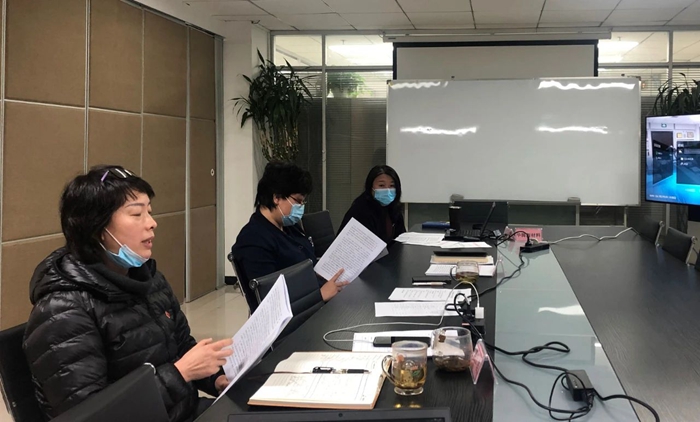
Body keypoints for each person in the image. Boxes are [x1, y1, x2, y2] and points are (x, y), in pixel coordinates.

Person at [23, 166, 232, 422]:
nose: (152, 223)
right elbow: (90, 415)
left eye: (149, 212)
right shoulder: (63, 310)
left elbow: (181, 347)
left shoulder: (148, 279)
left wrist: (216, 379)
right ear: (96, 228)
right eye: (136, 214)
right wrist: (179, 374)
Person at [231, 161, 346, 306]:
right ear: (277, 198)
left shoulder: (288, 227)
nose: (301, 207)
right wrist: (320, 295)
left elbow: (306, 262)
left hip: (316, 299)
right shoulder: (253, 240)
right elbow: (272, 302)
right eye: (298, 201)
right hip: (301, 312)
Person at [338, 165, 406, 244]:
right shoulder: (361, 210)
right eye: (381, 185)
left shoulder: (393, 207)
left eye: (392, 186)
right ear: (371, 187)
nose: (387, 190)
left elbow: (401, 237)